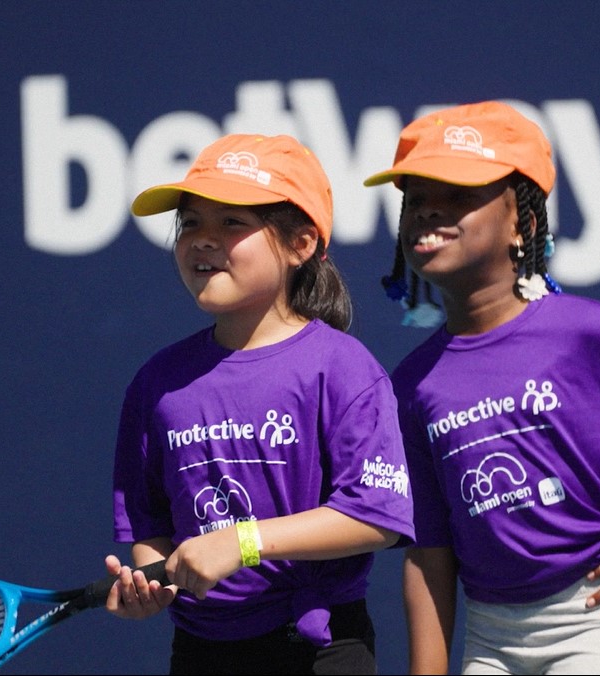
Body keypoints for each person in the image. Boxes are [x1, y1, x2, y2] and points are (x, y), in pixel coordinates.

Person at [363, 101, 600, 675]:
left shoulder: (589, 333)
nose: (429, 211)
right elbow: (429, 554)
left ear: (524, 223)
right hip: (488, 642)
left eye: (460, 195)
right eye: (415, 199)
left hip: (593, 624)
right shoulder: (411, 384)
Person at [106, 133, 415, 676]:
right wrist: (152, 582)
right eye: (191, 223)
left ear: (300, 245)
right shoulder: (156, 382)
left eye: (231, 223)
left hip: (319, 647)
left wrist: (244, 543)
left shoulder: (342, 366)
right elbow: (149, 526)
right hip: (200, 653)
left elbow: (376, 515)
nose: (203, 240)